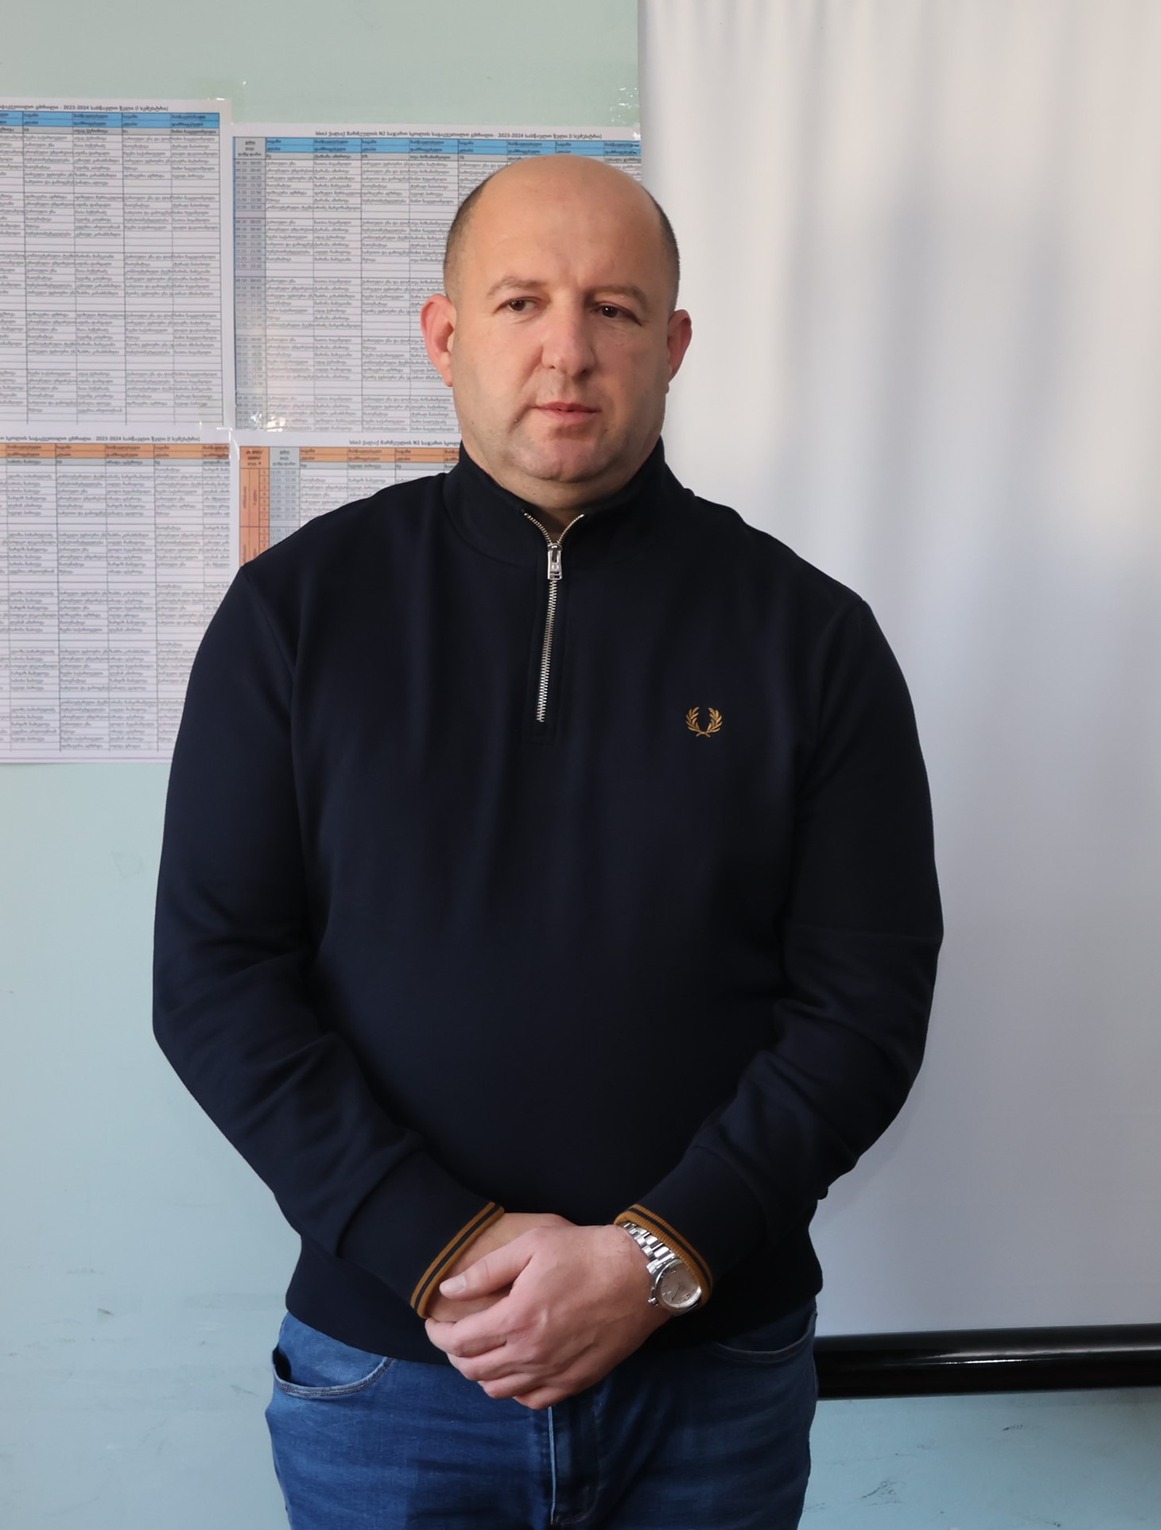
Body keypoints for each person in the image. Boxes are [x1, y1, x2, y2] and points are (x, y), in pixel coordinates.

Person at [153, 154, 942, 1528]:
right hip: (392, 1374)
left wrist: (657, 1258)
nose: (566, 350)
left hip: (710, 1377)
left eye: (613, 309)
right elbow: (215, 982)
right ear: (445, 334)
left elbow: (863, 1008)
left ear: (673, 345)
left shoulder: (811, 638)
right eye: (521, 302)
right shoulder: (296, 615)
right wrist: (440, 1247)